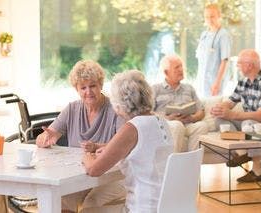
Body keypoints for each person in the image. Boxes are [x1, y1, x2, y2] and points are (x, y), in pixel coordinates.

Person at [36, 60, 125, 213]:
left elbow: (123, 145)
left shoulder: (115, 109)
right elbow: (46, 136)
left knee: (92, 203)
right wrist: (44, 139)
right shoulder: (72, 108)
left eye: (92, 86)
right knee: (61, 198)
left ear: (101, 85)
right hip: (78, 174)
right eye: (83, 87)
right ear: (76, 89)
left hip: (111, 175)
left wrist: (98, 147)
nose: (88, 92)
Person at [82, 70, 173, 212]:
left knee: (87, 211)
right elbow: (141, 147)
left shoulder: (132, 127)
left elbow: (94, 170)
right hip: (167, 207)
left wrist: (87, 156)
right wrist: (107, 148)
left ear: (118, 105)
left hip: (142, 209)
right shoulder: (161, 121)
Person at [211, 49, 261, 182]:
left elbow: (260, 116)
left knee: (250, 124)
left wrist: (233, 114)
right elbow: (230, 102)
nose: (237, 66)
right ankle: (242, 152)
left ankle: (257, 171)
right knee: (221, 119)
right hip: (253, 124)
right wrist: (219, 108)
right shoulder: (244, 81)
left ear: (249, 65)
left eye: (239, 63)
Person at [152, 54, 208, 152]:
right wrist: (168, 118)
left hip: (187, 124)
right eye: (177, 67)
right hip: (167, 125)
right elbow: (148, 112)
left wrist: (192, 118)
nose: (181, 69)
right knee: (177, 125)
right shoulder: (155, 89)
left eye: (181, 66)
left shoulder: (189, 88)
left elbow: (201, 111)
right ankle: (173, 165)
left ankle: (193, 163)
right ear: (166, 72)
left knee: (202, 126)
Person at [196, 3, 231, 97]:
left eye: (212, 16)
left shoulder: (223, 35)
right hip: (202, 79)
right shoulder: (204, 34)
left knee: (213, 108)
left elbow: (225, 60)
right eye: (206, 17)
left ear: (219, 16)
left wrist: (217, 82)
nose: (209, 20)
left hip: (214, 81)